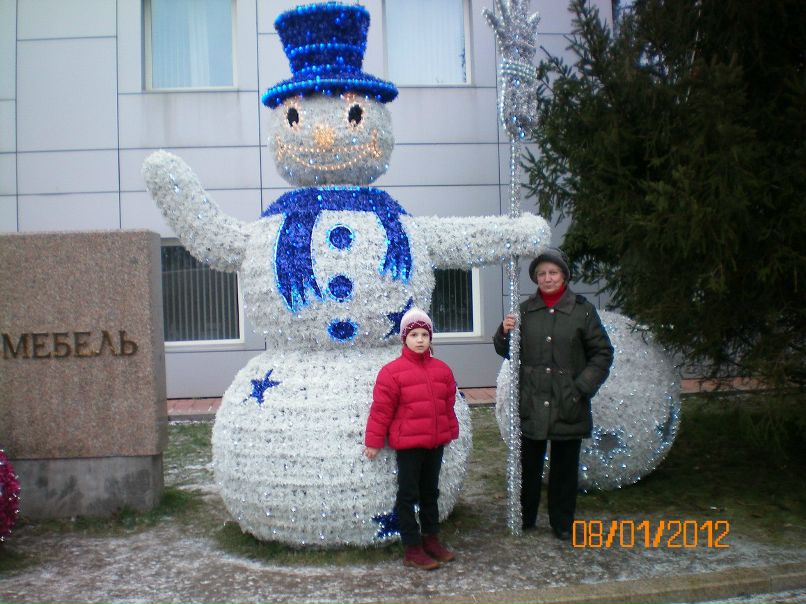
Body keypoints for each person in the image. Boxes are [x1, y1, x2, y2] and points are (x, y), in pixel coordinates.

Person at [494, 247, 614, 540]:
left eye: (553, 272)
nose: (547, 278)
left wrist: (581, 388)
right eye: (542, 274)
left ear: (564, 276)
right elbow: (508, 351)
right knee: (528, 468)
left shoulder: (582, 311)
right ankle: (525, 517)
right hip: (532, 402)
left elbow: (602, 353)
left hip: (568, 402)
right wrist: (503, 333)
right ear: (536, 278)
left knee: (564, 469)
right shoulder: (524, 311)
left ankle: (562, 523)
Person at [364, 307, 460, 570]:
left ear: (430, 338)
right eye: (414, 334)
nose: (420, 340)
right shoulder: (392, 372)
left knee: (431, 492)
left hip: (435, 443)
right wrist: (373, 440)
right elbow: (381, 409)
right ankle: (413, 547)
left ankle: (431, 539)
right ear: (404, 338)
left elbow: (447, 404)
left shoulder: (442, 370)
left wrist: (451, 431)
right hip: (408, 445)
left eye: (424, 334)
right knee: (408, 494)